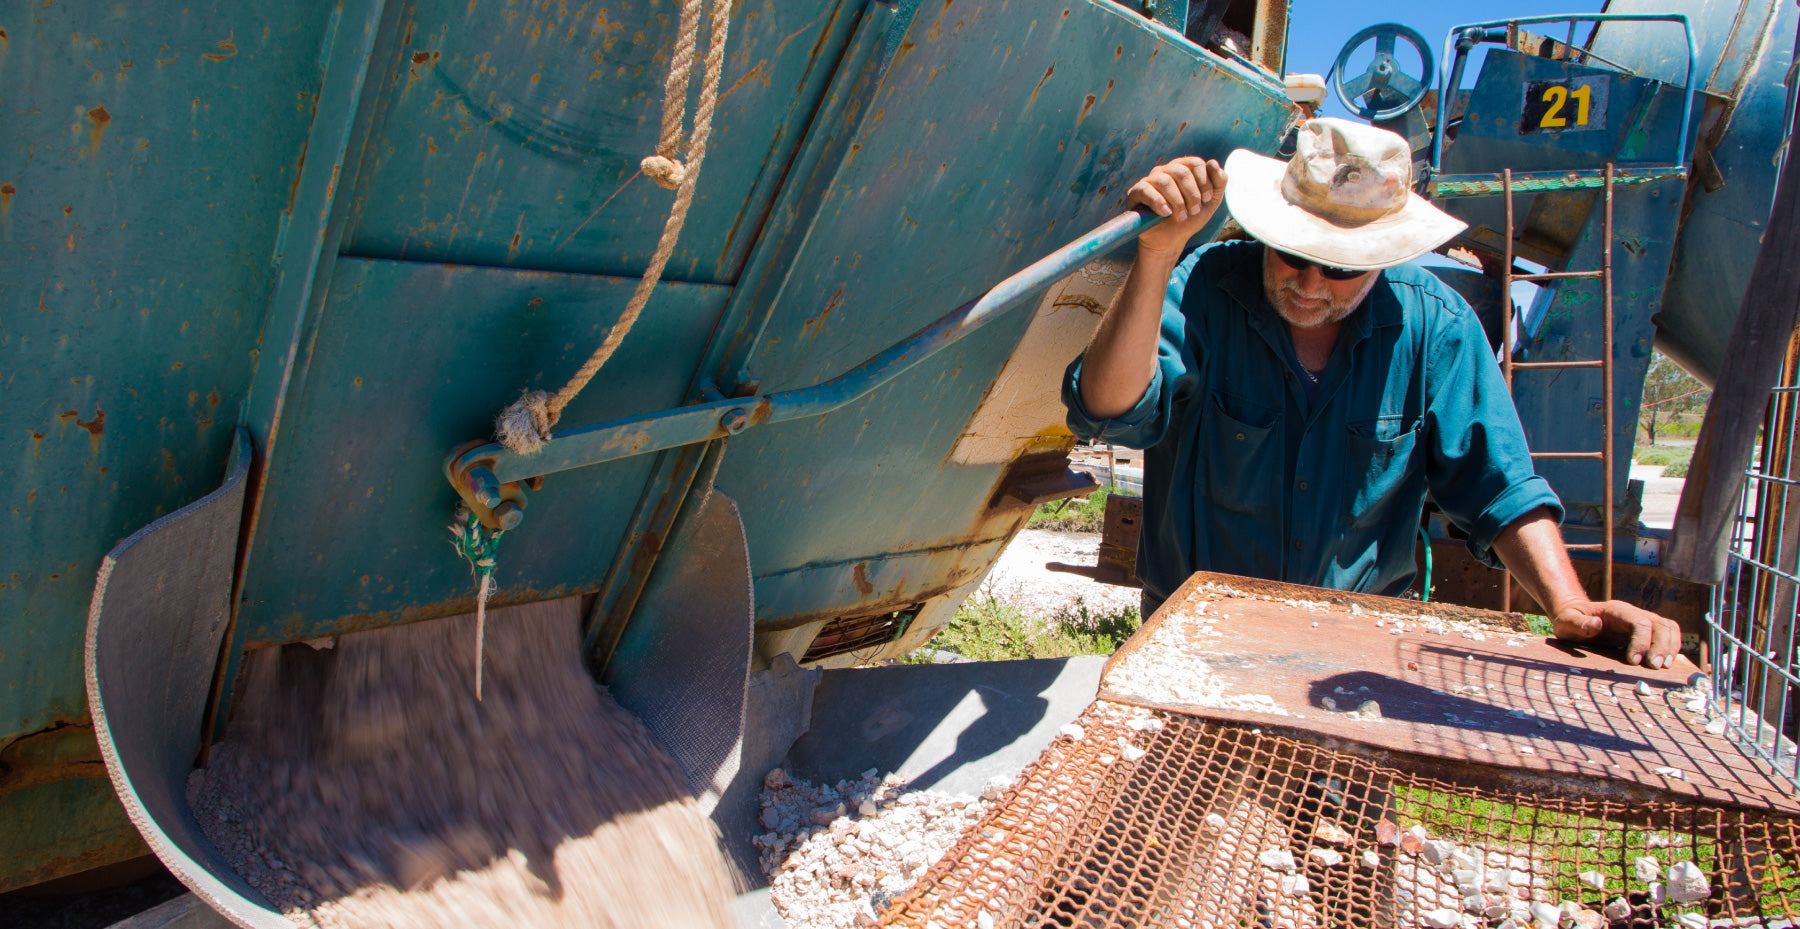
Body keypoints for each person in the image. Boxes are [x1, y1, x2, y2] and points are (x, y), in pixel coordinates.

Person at [1062, 117, 1682, 669]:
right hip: (1192, 642)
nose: (1308, 283)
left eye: (1338, 267)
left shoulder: (1435, 324)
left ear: (1384, 254)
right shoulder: (1200, 287)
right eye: (1290, 254)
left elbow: (1500, 484)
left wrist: (1569, 604)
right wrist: (1157, 255)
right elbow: (1109, 410)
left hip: (1355, 654)